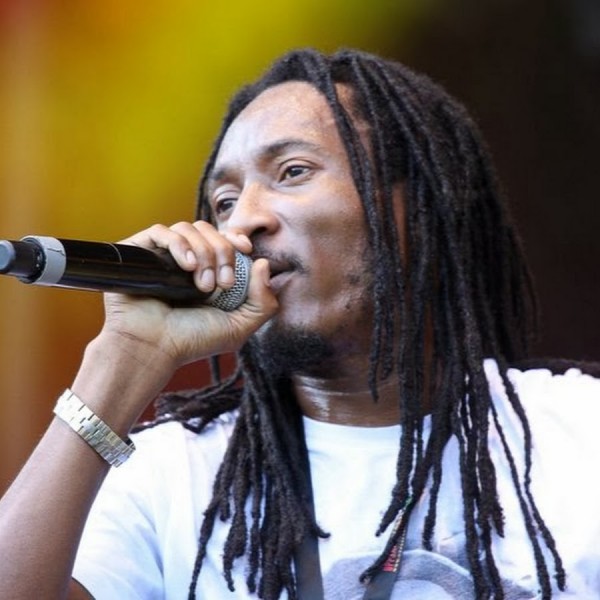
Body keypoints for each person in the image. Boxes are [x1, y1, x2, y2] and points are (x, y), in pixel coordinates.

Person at [0, 47, 599, 600]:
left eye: (292, 171)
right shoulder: (169, 477)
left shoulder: (581, 433)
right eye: (224, 202)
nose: (244, 223)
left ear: (419, 206)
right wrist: (121, 359)